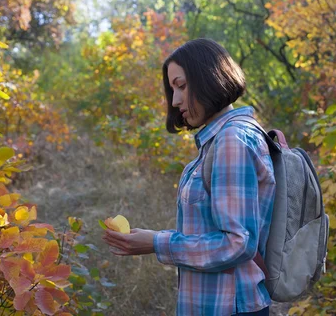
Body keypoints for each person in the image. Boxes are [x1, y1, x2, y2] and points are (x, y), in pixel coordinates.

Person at [102, 38, 276, 316]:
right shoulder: (220, 139)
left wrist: (156, 242)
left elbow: (238, 243)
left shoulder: (231, 140)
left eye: (181, 86)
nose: (175, 100)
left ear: (209, 78)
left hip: (229, 305)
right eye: (172, 89)